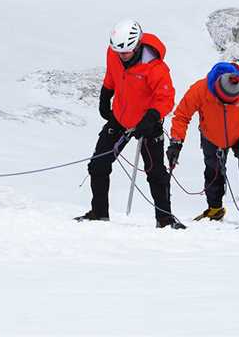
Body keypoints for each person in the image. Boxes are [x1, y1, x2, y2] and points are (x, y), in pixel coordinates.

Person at [79, 19, 184, 229]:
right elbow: (112, 75)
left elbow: (165, 98)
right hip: (120, 118)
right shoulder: (114, 53)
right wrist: (105, 95)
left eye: (126, 52)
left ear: (137, 46)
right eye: (118, 52)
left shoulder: (155, 67)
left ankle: (164, 220)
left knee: (155, 173)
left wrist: (152, 117)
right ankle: (99, 213)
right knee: (98, 164)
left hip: (148, 124)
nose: (122, 56)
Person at [167, 62, 239, 226]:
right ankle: (215, 208)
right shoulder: (200, 89)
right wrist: (176, 142)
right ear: (217, 89)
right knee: (213, 171)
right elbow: (181, 115)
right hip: (212, 136)